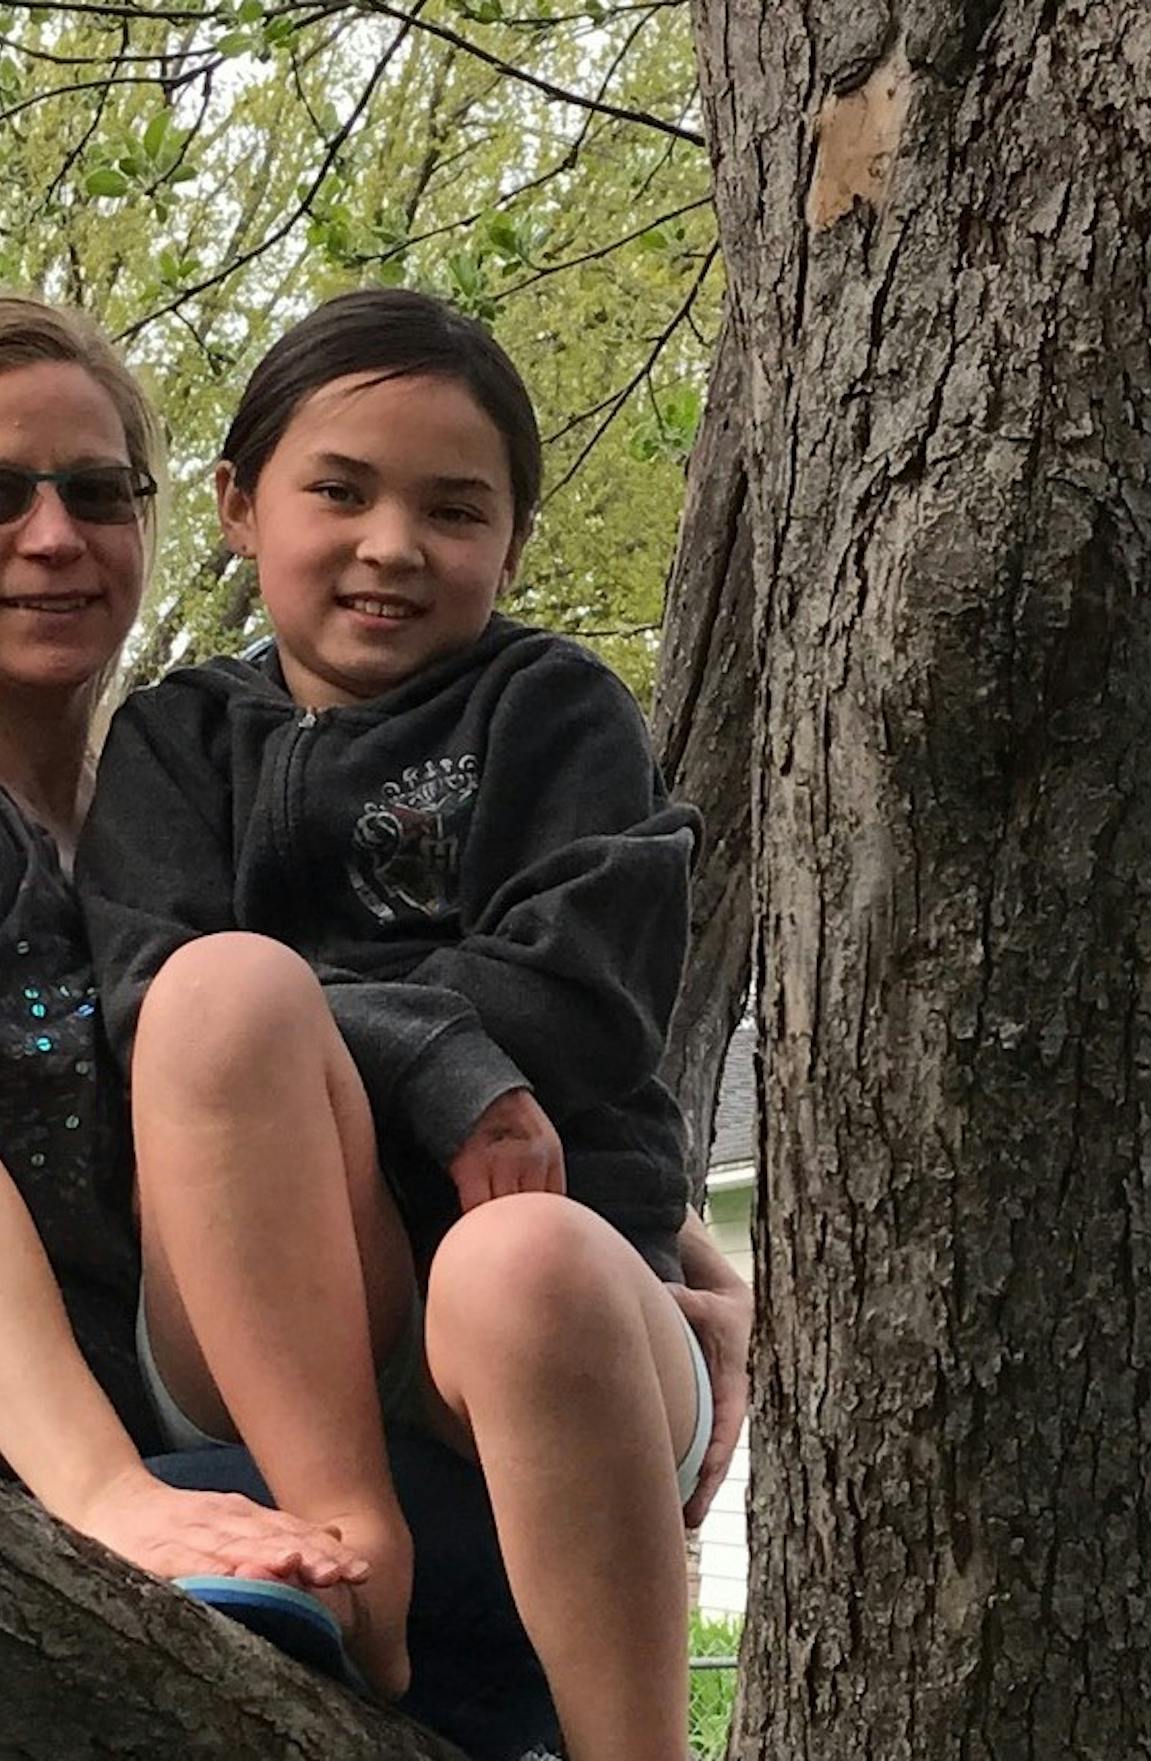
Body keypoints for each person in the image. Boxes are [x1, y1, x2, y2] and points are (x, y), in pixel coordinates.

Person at [0, 291, 606, 1761]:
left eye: (98, 492)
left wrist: (635, 1263)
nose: (53, 536)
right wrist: (104, 1496)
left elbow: (349, 1059)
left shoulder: (152, 822)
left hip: (218, 1548)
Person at [77, 287, 750, 1761]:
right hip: (258, 1293)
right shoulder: (173, 742)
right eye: (341, 490)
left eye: (455, 509)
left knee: (516, 1260)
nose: (394, 545)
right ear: (242, 505)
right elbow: (148, 1009)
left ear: (510, 542)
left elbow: (585, 996)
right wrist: (427, 1053)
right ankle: (352, 1540)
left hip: (567, 1304)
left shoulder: (558, 711)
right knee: (219, 993)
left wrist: (395, 1044)